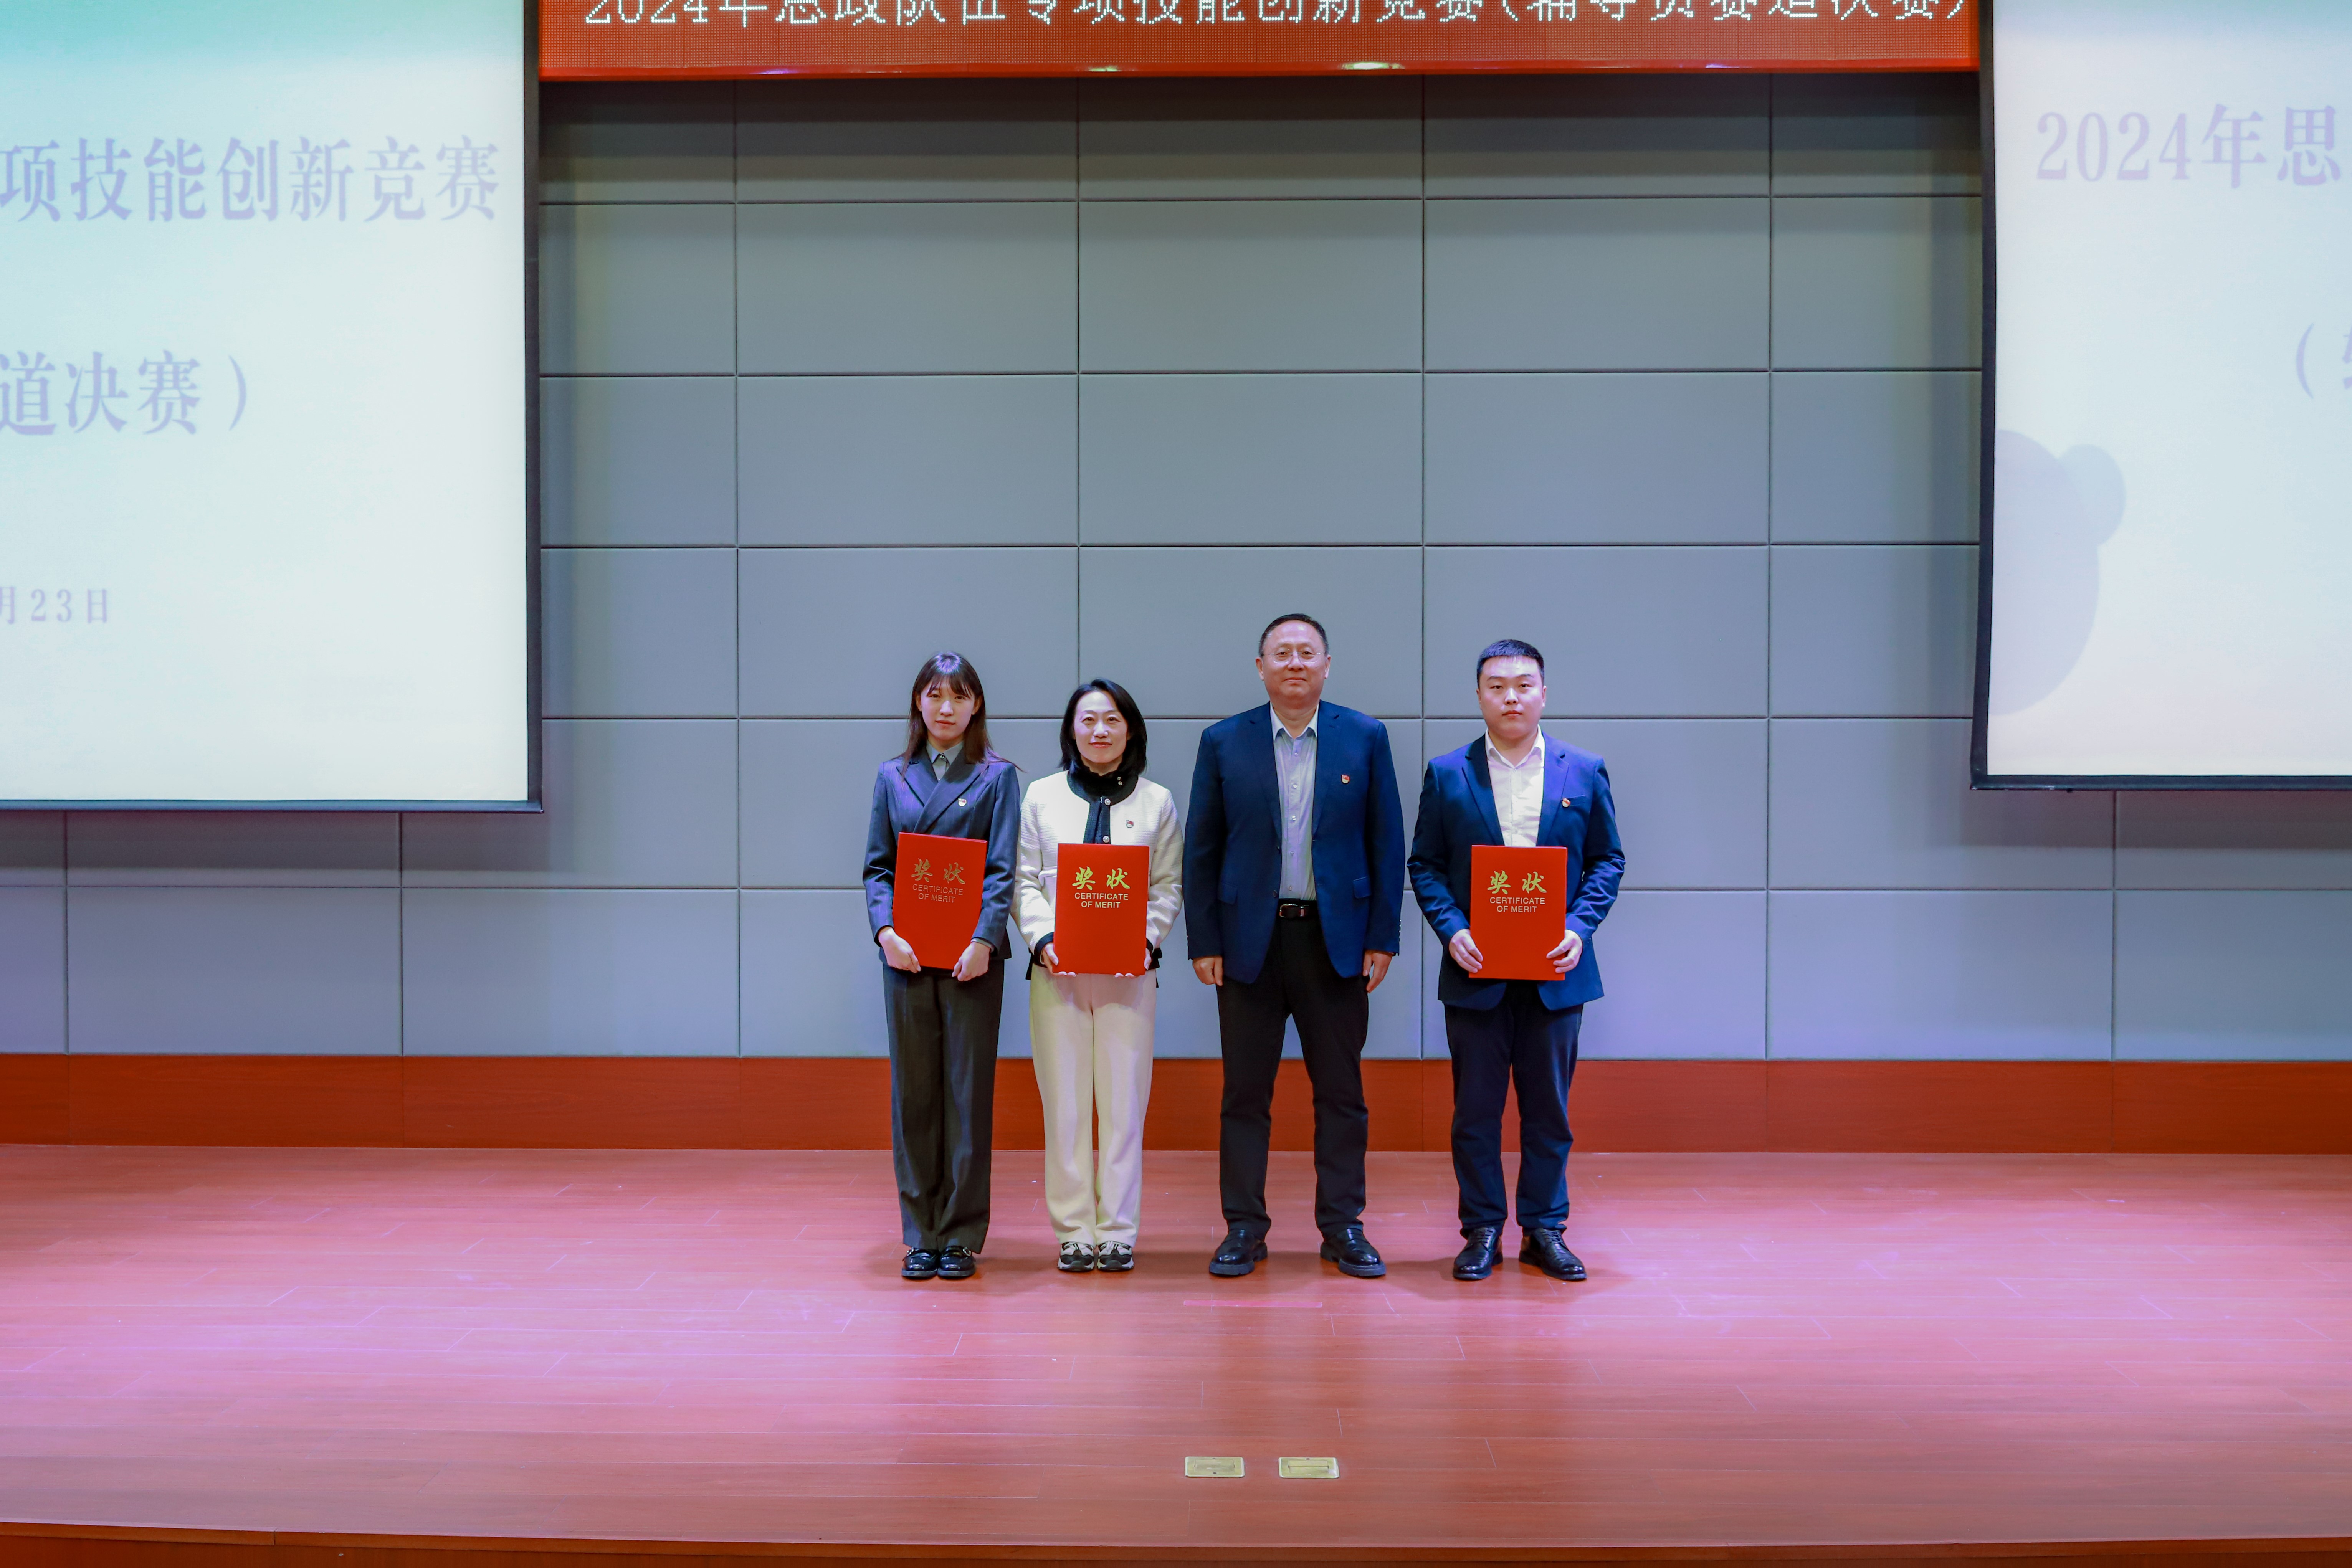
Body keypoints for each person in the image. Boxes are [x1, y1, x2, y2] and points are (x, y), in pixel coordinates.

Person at [1185, 613, 1406, 1280]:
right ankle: (1243, 1228)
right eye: (1281, 653)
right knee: (1244, 1094)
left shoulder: (1365, 737)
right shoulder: (1223, 741)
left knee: (1341, 1092)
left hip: (1334, 941)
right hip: (1247, 944)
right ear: (1261, 667)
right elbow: (1202, 848)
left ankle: (1343, 1226)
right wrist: (1205, 939)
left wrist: (1383, 936)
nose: (1295, 663)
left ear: (1327, 665)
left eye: (1307, 653)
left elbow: (1387, 843)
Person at [1407, 639, 1623, 1284]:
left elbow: (1608, 860)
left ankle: (1544, 1228)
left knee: (1549, 1110)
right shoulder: (1449, 773)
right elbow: (1425, 864)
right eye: (1497, 686)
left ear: (1544, 694)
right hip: (1477, 968)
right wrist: (1452, 929)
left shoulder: (1585, 770)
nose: (1511, 697)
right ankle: (1481, 1229)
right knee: (1475, 1111)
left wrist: (1580, 927)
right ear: (1479, 695)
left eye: (1524, 685)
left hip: (1557, 970)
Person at [1014, 680, 1184, 1275]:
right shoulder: (1041, 796)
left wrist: (1146, 939)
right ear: (1071, 730)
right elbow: (1024, 880)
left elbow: (1167, 885)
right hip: (1057, 974)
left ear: (1130, 729)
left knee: (1123, 1106)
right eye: (1087, 720)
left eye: (1112, 719)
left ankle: (1116, 1231)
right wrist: (1043, 939)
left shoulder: (1158, 802)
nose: (1100, 731)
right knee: (1063, 1107)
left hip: (1128, 975)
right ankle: (1073, 1231)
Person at [863, 652, 1021, 1283]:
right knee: (914, 1095)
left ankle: (960, 1232)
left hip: (972, 960)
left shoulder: (997, 776)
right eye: (935, 695)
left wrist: (984, 939)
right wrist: (886, 931)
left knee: (967, 1093)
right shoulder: (892, 776)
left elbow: (1002, 870)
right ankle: (920, 1232)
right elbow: (878, 867)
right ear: (918, 702)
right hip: (906, 956)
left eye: (959, 696)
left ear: (976, 704)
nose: (946, 707)